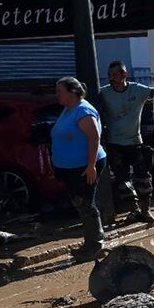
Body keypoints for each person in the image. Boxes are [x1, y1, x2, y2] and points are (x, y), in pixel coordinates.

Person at [95, 61, 154, 225]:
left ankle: (146, 211)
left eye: (116, 74)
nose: (112, 78)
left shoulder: (136, 89)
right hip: (115, 143)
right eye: (110, 75)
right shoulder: (104, 93)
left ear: (124, 74)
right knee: (122, 181)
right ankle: (134, 210)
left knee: (143, 178)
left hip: (134, 141)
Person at [52, 77, 108, 262]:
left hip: (85, 166)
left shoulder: (83, 110)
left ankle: (96, 245)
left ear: (72, 92)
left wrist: (91, 165)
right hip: (70, 167)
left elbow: (94, 137)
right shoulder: (68, 109)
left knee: (86, 204)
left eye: (59, 91)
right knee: (80, 203)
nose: (56, 94)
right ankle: (89, 243)